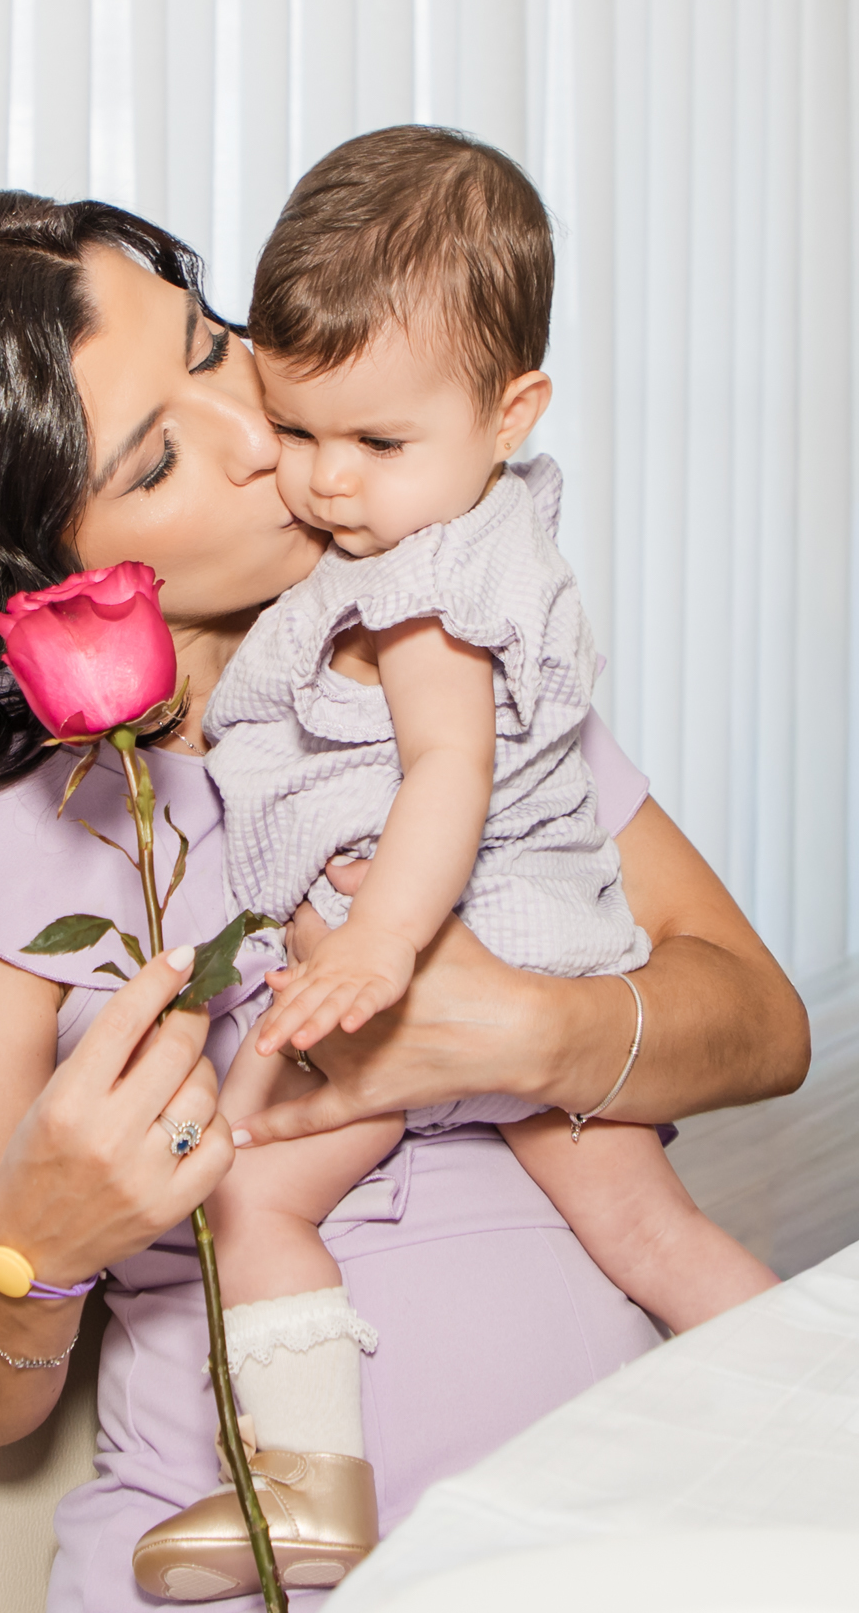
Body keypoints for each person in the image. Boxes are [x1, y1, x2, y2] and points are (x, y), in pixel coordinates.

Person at [0, 189, 808, 1613]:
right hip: (267, 1571)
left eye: (211, 352)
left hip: (627, 1505)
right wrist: (33, 1243)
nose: (266, 442)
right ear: (49, 565)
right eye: (159, 461)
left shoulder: (441, 654)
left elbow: (764, 1028)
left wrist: (519, 1032)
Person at [135, 130, 777, 1596]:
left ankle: (305, 1490)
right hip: (559, 945)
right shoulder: (466, 519)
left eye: (374, 443)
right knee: (655, 1235)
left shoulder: (417, 597)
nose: (325, 482)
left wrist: (377, 952)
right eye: (297, 433)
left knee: (254, 1193)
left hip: (461, 950)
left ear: (512, 412)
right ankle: (811, 1414)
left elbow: (449, 771)